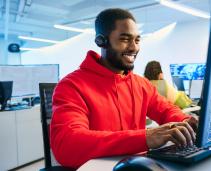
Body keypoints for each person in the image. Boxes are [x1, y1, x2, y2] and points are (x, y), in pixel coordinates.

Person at [50, 8, 198, 169]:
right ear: (101, 41)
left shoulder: (141, 84)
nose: (134, 47)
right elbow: (67, 145)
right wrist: (145, 137)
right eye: (125, 39)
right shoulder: (71, 85)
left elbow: (166, 110)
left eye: (137, 40)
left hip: (138, 167)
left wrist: (186, 122)